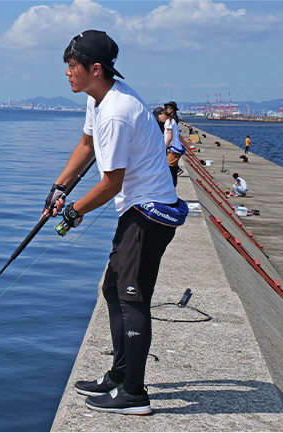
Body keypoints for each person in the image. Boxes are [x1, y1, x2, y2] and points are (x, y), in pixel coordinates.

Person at [42, 30, 187, 415]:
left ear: (95, 68)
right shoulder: (99, 99)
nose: (67, 73)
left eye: (72, 65)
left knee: (132, 296)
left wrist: (74, 211)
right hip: (135, 210)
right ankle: (119, 375)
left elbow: (111, 183)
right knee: (113, 290)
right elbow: (86, 146)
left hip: (150, 213)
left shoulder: (118, 112)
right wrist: (58, 188)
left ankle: (134, 394)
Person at [157, 106, 185, 187]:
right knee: (173, 170)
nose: (159, 121)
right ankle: (172, 189)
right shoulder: (172, 120)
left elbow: (169, 137)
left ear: (162, 114)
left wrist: (164, 148)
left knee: (170, 171)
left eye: (159, 119)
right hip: (177, 149)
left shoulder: (168, 122)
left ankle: (171, 190)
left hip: (173, 150)